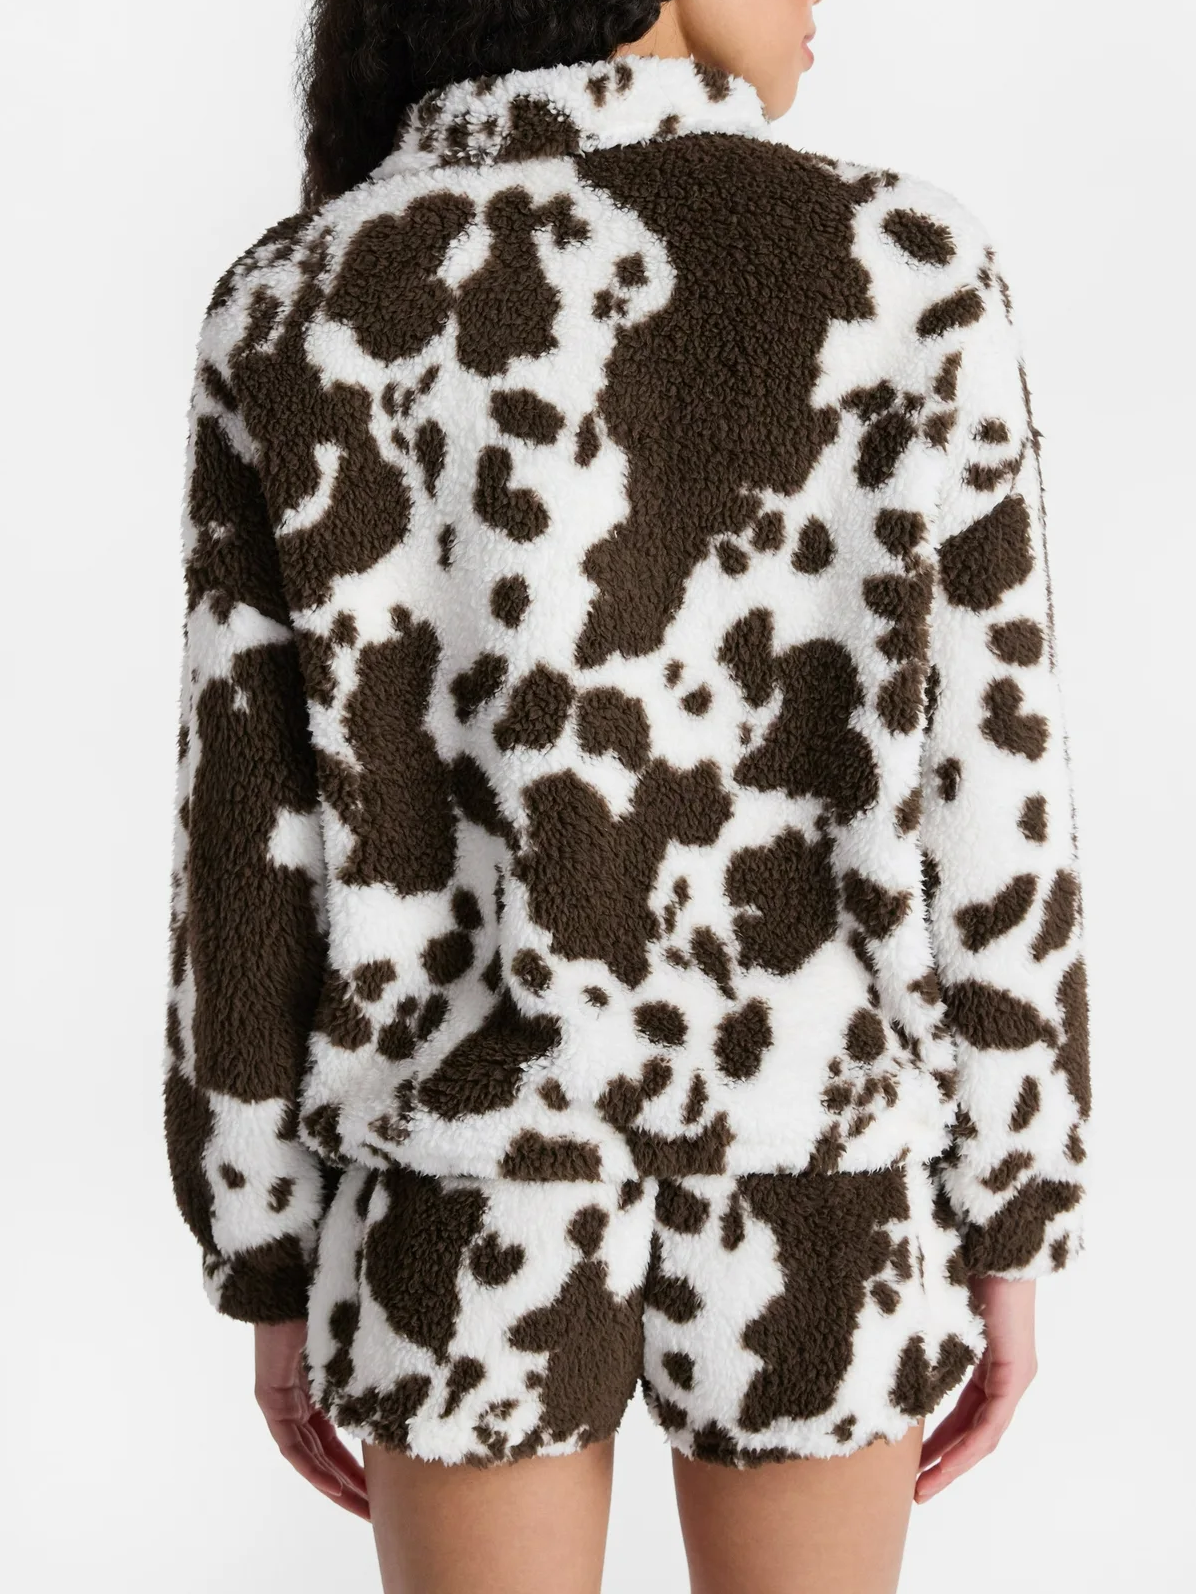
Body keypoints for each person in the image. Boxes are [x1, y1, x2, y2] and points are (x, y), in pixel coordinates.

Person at [163, 1, 1091, 1589]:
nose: (818, 5)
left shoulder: (302, 298)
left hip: (458, 1188)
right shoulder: (906, 268)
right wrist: (1014, 1203)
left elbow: (250, 841)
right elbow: (995, 789)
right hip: (820, 1176)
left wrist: (261, 1239)